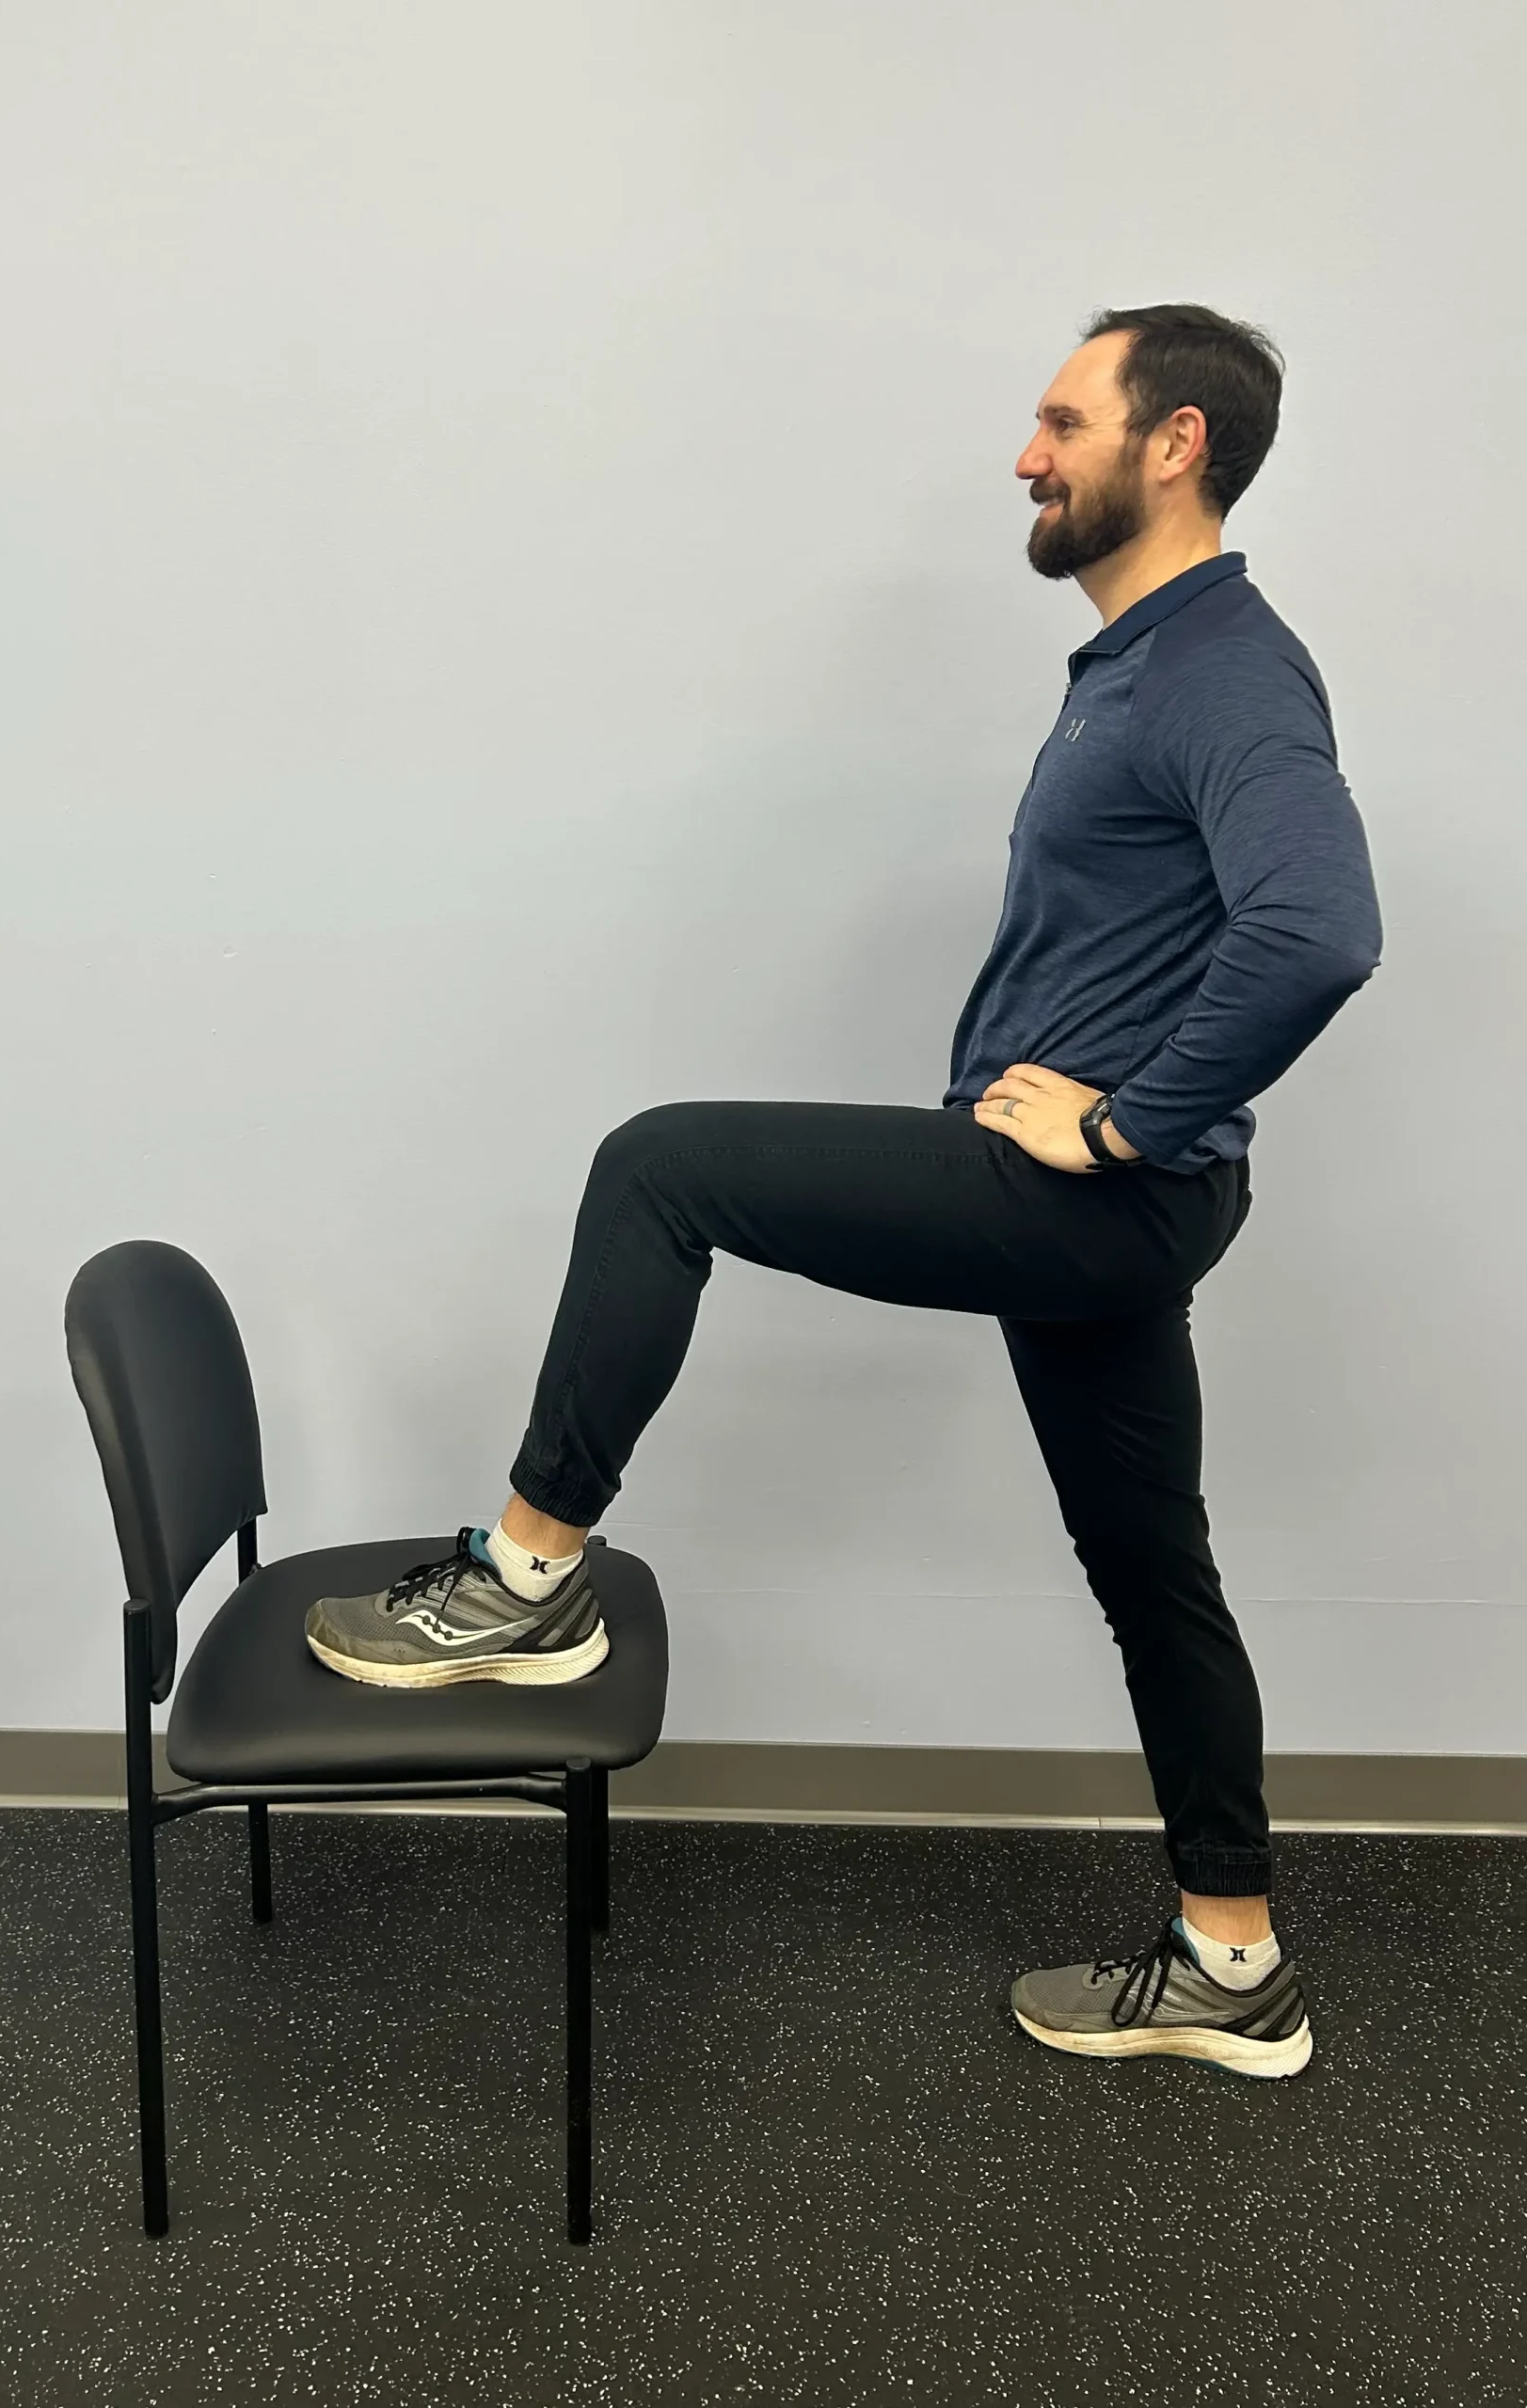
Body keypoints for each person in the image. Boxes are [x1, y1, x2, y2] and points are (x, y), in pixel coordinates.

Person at [304, 302, 1383, 2081]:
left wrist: (1120, 1128)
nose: (1026, 454)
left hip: (1101, 1200)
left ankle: (527, 1576)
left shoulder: (1222, 670)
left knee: (661, 1170)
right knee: (1152, 1572)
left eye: (1062, 418)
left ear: (1173, 444)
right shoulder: (1146, 662)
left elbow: (1322, 927)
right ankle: (1234, 1963)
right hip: (1120, 1217)